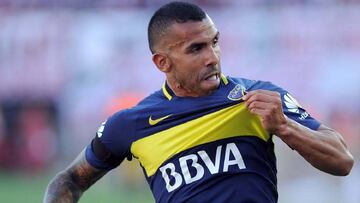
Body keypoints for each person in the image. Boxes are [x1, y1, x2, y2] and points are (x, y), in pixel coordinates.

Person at [43, 1, 354, 203]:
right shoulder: (131, 124)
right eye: (196, 49)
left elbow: (342, 161)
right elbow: (70, 179)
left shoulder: (256, 97)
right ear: (162, 63)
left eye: (214, 42)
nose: (212, 57)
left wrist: (285, 127)